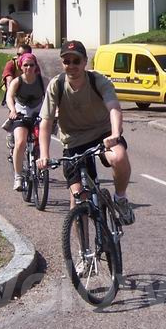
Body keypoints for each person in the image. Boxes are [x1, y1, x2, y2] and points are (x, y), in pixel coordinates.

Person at [36, 40, 135, 225]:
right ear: (62, 63)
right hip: (73, 140)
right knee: (78, 198)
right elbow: (46, 122)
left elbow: (114, 107)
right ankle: (84, 250)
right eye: (67, 61)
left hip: (102, 133)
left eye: (76, 60)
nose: (71, 65)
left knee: (119, 157)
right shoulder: (56, 85)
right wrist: (44, 155)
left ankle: (120, 199)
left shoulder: (98, 80)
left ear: (85, 62)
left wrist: (115, 133)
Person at [6, 51, 46, 191]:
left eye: (31, 65)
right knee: (20, 142)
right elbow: (9, 97)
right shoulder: (18, 81)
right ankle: (18, 177)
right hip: (21, 114)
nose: (29, 68)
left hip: (38, 114)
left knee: (42, 141)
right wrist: (12, 110)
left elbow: (51, 97)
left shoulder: (42, 80)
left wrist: (55, 111)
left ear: (36, 66)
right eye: (26, 65)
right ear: (21, 67)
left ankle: (41, 166)